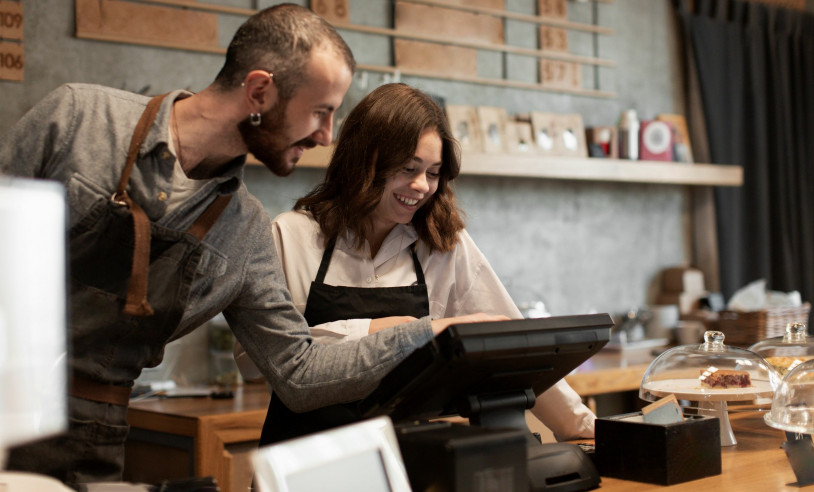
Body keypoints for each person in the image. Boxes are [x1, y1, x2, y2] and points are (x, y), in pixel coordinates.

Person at [0, 5, 500, 488]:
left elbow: (299, 373)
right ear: (260, 90)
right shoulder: (79, 119)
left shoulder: (245, 230)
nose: (327, 137)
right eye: (321, 112)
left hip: (94, 439)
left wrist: (430, 332)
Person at [234, 83, 596, 445]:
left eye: (434, 172)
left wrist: (583, 426)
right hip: (303, 463)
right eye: (409, 168)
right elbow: (255, 362)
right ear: (365, 160)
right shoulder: (291, 235)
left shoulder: (443, 244)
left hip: (406, 463)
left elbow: (517, 349)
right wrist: (391, 330)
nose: (421, 185)